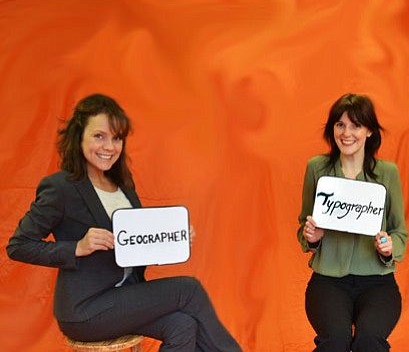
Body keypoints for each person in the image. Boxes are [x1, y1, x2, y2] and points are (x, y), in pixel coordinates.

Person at [6, 94, 241, 351]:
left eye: (116, 138)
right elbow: (18, 245)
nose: (109, 146)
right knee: (189, 289)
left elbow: (135, 246)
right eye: (99, 136)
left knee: (182, 324)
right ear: (79, 136)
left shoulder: (124, 187)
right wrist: (77, 247)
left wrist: (172, 239)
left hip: (124, 298)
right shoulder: (61, 188)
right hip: (86, 308)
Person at [297, 93, 409, 352]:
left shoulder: (387, 173)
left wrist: (390, 247)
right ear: (332, 129)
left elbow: (399, 231)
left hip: (378, 282)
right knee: (336, 341)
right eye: (340, 124)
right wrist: (311, 236)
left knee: (368, 340)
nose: (346, 133)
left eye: (356, 125)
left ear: (369, 131)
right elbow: (304, 224)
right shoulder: (317, 169)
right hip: (328, 281)